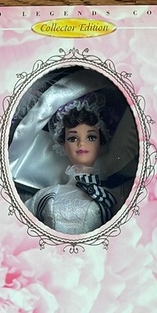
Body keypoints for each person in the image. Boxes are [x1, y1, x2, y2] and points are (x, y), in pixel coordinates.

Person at [24, 94, 118, 235]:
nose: (81, 143)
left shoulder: (111, 197)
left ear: (101, 142)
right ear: (63, 145)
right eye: (73, 138)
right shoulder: (47, 195)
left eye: (91, 137)